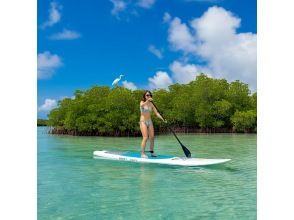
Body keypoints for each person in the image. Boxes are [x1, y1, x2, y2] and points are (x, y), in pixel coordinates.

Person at [139, 90, 166, 158]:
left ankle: (152, 152)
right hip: (143, 121)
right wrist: (148, 101)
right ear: (144, 96)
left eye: (150, 95)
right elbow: (142, 105)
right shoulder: (142, 102)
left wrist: (163, 119)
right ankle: (142, 153)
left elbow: (156, 113)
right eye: (147, 95)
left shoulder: (152, 104)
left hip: (149, 121)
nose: (149, 96)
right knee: (145, 137)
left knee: (152, 137)